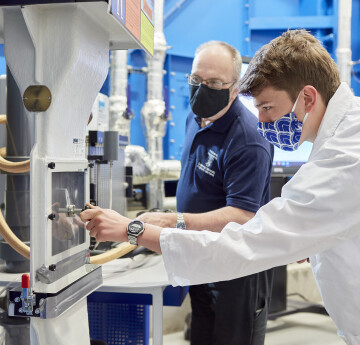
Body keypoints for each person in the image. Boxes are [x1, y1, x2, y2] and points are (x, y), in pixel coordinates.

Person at [80, 29, 360, 345]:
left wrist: (132, 230)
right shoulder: (342, 134)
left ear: (307, 97)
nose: (264, 121)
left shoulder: (347, 157)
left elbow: (245, 242)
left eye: (267, 107)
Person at [136, 41, 274, 345]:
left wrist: (174, 222)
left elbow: (241, 215)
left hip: (236, 274)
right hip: (201, 262)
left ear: (235, 87)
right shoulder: (194, 118)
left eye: (213, 83)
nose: (201, 89)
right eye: (196, 80)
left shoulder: (249, 139)